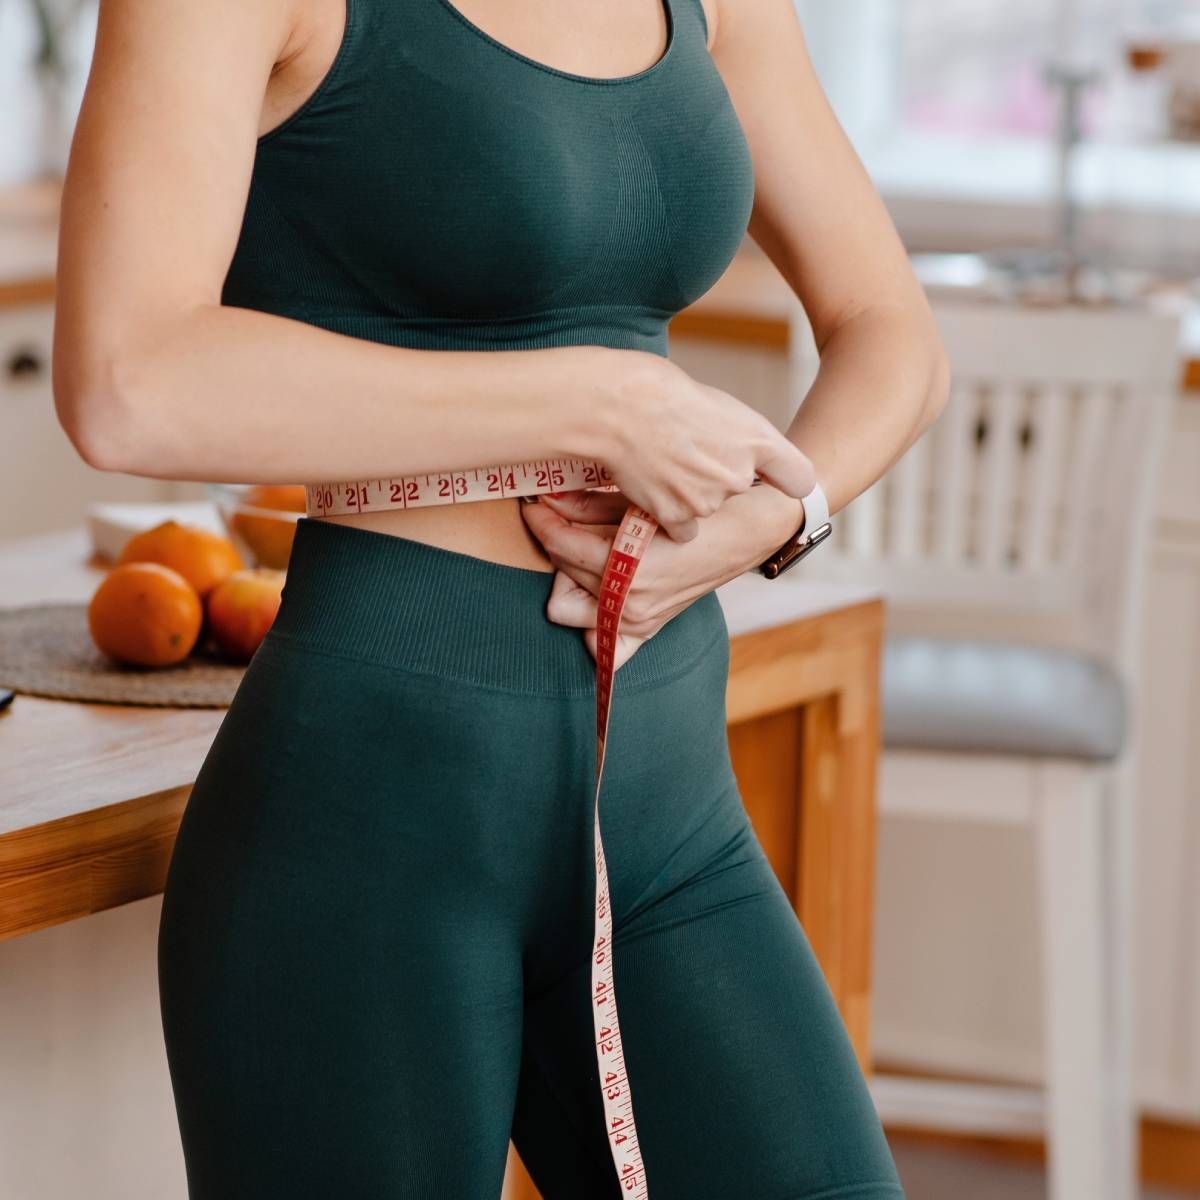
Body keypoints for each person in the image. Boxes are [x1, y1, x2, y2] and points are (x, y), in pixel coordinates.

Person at [53, 0, 949, 1193]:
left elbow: (893, 332)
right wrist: (592, 403)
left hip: (667, 815)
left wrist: (773, 519)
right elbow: (126, 381)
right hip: (367, 836)